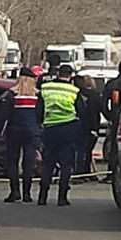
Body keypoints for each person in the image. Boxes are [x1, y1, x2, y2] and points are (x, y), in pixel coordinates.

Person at [36, 63, 86, 206]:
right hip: (68, 129)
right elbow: (82, 111)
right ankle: (62, 197)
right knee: (66, 164)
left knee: (48, 164)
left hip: (50, 129)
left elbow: (39, 110)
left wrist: (41, 124)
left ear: (58, 74)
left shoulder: (46, 88)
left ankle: (42, 197)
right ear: (71, 76)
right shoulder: (74, 91)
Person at [0, 68, 42, 203]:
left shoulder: (11, 94)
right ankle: (27, 194)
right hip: (32, 132)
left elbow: (4, 115)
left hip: (14, 131)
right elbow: (41, 115)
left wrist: (1, 131)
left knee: (12, 162)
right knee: (29, 163)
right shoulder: (38, 96)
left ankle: (14, 191)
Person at [73, 75, 103, 175]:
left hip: (80, 125)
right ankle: (86, 171)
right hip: (93, 125)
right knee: (88, 150)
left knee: (80, 149)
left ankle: (79, 171)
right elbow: (102, 108)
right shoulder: (95, 95)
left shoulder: (78, 94)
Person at [101, 62, 121, 182]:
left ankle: (112, 173)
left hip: (116, 118)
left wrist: (110, 116)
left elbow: (104, 104)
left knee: (114, 146)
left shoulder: (112, 84)